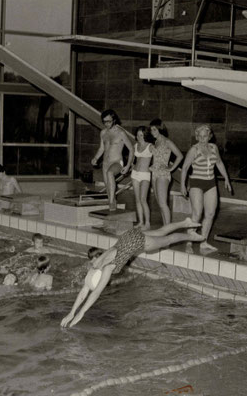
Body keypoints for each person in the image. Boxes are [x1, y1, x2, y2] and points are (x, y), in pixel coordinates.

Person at [60, 218, 205, 328]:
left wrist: (81, 313)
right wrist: (71, 312)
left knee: (168, 239)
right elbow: (84, 292)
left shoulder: (107, 268)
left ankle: (191, 236)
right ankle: (185, 223)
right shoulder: (95, 265)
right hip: (127, 237)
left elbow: (95, 293)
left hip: (137, 242)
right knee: (161, 231)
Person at [180, 125, 232, 253]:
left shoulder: (213, 148)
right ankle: (189, 240)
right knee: (197, 213)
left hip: (211, 183)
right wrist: (182, 185)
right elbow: (185, 168)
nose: (203, 139)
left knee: (210, 214)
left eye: (205, 136)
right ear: (197, 137)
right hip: (196, 182)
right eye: (200, 136)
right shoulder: (194, 149)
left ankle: (203, 242)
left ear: (209, 136)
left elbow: (219, 163)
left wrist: (226, 179)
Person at [91, 109, 134, 210]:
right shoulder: (103, 133)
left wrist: (128, 166)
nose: (106, 124)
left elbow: (131, 149)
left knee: (110, 174)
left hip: (117, 162)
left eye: (109, 121)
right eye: (104, 122)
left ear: (114, 120)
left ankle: (111, 202)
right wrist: (96, 157)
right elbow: (102, 148)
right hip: (106, 163)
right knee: (109, 191)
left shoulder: (121, 133)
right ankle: (112, 205)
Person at [149, 119, 183, 225]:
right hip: (154, 173)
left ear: (160, 129)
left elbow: (180, 156)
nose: (152, 132)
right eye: (151, 130)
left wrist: (171, 168)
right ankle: (165, 227)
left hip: (163, 174)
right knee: (160, 204)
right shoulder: (155, 142)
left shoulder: (167, 141)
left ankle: (168, 228)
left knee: (163, 203)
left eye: (154, 129)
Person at [131, 126, 155, 229]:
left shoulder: (150, 146)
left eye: (141, 135)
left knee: (143, 199)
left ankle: (147, 223)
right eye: (137, 135)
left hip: (145, 174)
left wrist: (153, 167)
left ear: (145, 135)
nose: (139, 137)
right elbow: (132, 160)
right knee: (137, 199)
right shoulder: (135, 146)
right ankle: (141, 222)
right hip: (135, 174)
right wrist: (130, 166)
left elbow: (159, 157)